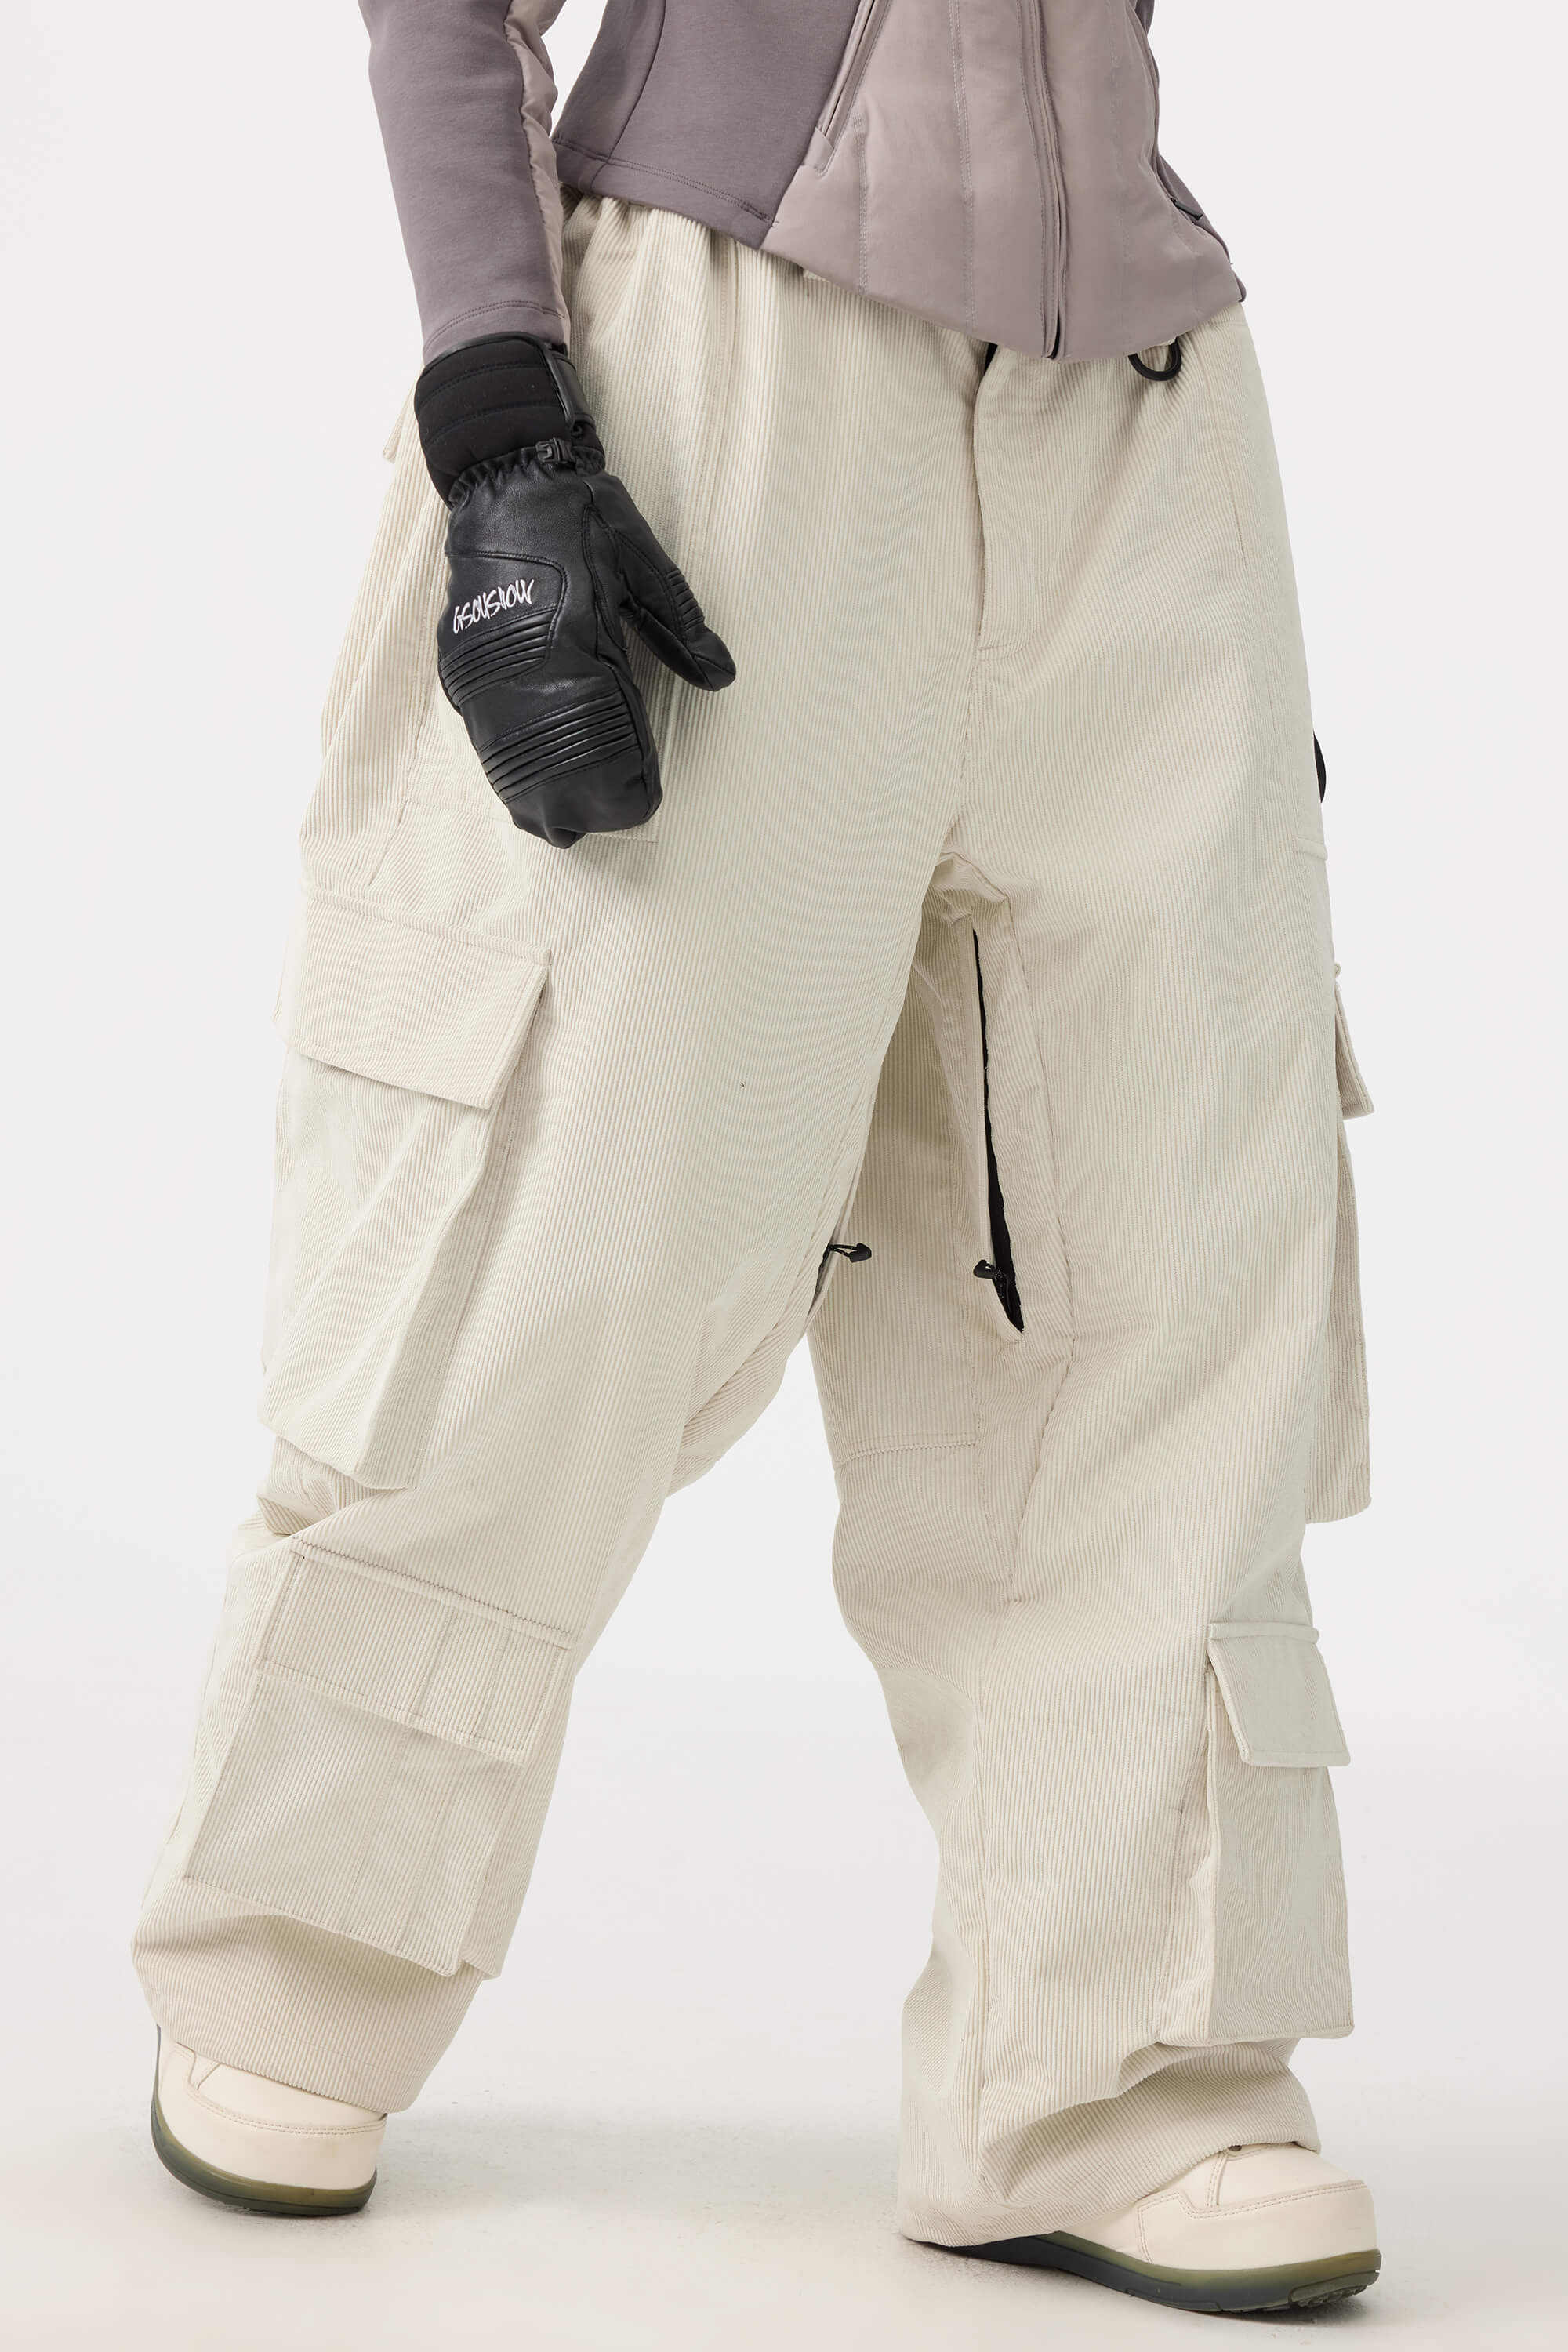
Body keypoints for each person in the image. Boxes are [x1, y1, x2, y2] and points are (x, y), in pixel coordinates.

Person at [133, 1, 1380, 2315]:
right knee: (566, 1225)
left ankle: (1114, 2074)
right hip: (732, 387)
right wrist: (499, 410)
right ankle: (293, 1963)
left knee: (1158, 1250)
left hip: (1142, 422)